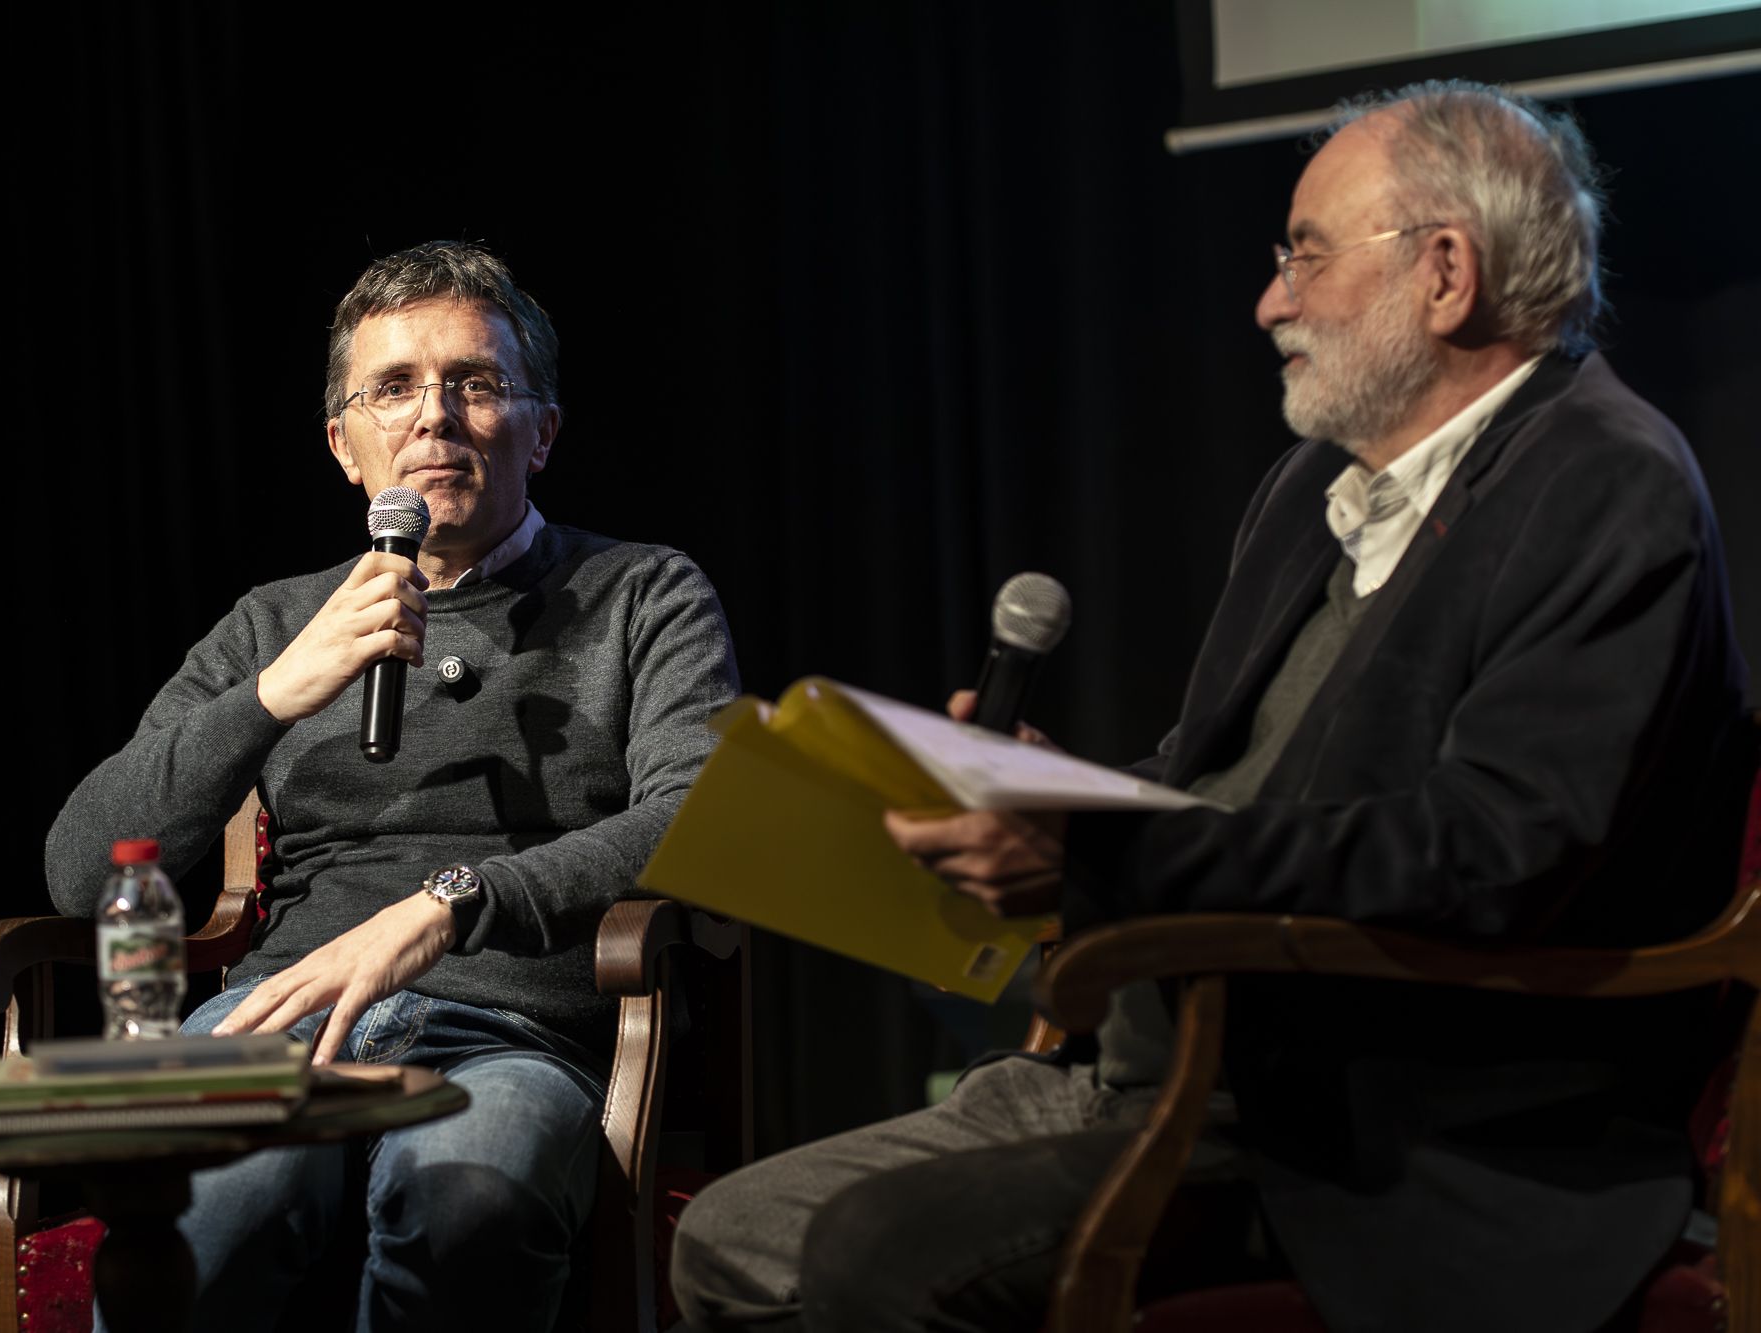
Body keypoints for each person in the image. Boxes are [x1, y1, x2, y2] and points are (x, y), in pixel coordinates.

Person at [669, 81, 1746, 1333]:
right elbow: (1216, 788)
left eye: (1302, 252)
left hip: (1393, 1136)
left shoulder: (1605, 483)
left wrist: (1101, 851)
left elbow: (1494, 850)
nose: (1269, 301)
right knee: (728, 1237)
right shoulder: (1309, 493)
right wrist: (1045, 792)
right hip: (1161, 1057)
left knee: (874, 1249)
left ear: (1445, 274)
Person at [47, 240, 739, 1332]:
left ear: (541, 430)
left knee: (468, 1204)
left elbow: (699, 815)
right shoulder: (275, 624)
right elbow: (85, 868)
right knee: (206, 1221)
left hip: (516, 1034)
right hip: (279, 1022)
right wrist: (275, 691)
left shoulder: (640, 592)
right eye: (394, 388)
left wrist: (449, 902)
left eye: (475, 383)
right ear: (343, 444)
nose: (434, 417)